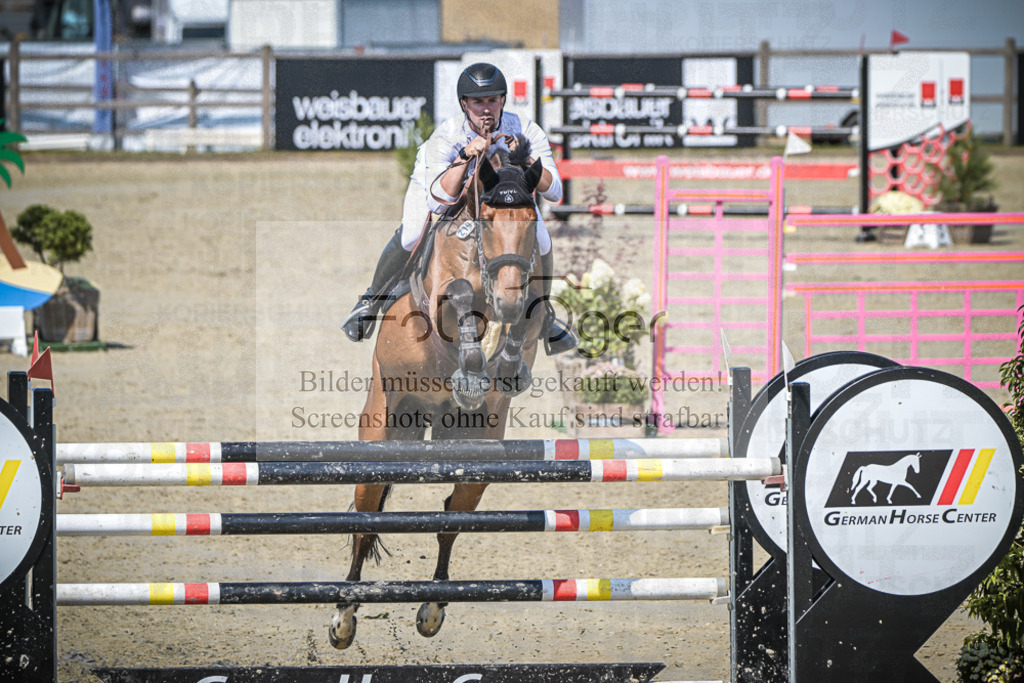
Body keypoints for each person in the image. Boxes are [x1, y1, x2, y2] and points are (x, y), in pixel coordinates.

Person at [341, 62, 576, 355]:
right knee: (412, 234)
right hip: (437, 186)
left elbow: (554, 191)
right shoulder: (447, 137)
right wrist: (465, 155)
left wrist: (526, 157)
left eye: (492, 100)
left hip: (502, 200)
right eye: (478, 102)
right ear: (464, 104)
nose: (486, 109)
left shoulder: (526, 130)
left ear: (503, 99)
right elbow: (439, 200)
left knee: (541, 236)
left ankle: (545, 317)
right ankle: (370, 301)